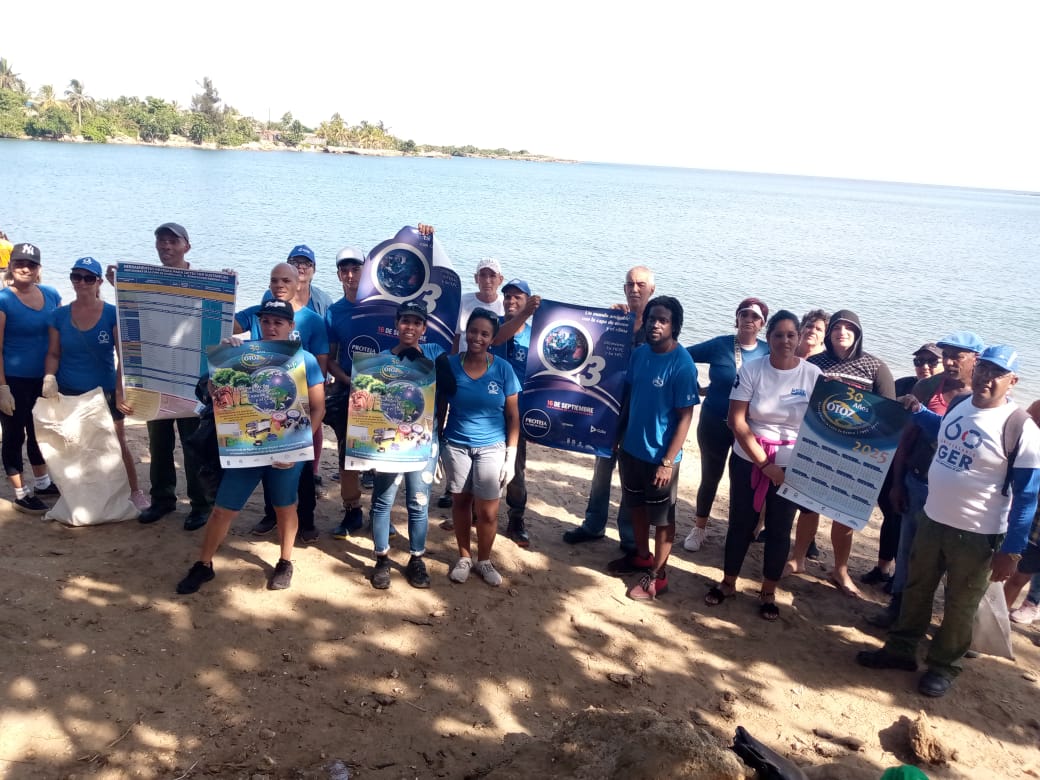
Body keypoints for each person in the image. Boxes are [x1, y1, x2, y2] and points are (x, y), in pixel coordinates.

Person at [856, 345, 1040, 698]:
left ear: (1012, 381)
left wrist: (1012, 551)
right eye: (984, 368)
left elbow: (1027, 496)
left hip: (977, 534)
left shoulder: (1021, 428)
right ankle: (901, 650)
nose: (987, 377)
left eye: (997, 373)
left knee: (960, 604)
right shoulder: (960, 404)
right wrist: (919, 411)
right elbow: (945, 431)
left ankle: (943, 666)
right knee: (916, 590)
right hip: (933, 519)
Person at [175, 299, 326, 594]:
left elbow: (318, 409)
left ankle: (285, 561)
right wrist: (223, 358)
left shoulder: (305, 359)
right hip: (247, 449)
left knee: (285, 506)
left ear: (290, 327)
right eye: (266, 321)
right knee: (222, 509)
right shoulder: (241, 354)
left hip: (286, 448)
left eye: (278, 322)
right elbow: (215, 394)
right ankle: (204, 565)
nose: (270, 327)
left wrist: (298, 446)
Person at [704, 311, 822, 619]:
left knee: (780, 530)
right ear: (768, 339)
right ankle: (728, 582)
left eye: (790, 335)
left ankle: (768, 591)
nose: (785, 340)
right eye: (778, 335)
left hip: (792, 467)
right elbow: (736, 421)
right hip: (748, 459)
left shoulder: (812, 376)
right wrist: (766, 465)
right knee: (740, 525)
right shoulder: (752, 370)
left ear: (799, 339)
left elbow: (825, 426)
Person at [868, 332, 984, 627]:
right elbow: (906, 438)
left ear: (976, 359)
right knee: (907, 550)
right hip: (918, 482)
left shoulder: (985, 397)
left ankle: (951, 623)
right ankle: (898, 606)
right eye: (946, 355)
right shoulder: (928, 387)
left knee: (952, 561)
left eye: (957, 356)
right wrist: (897, 482)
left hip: (959, 493)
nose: (948, 362)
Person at [786, 309, 895, 596]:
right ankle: (797, 559)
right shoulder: (815, 362)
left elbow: (890, 415)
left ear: (858, 333)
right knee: (808, 504)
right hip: (818, 444)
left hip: (856, 452)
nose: (841, 332)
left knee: (843, 513)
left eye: (849, 328)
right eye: (836, 328)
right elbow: (800, 398)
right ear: (830, 332)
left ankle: (840, 569)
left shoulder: (875, 367)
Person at [609, 296, 698, 600]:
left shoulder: (682, 365)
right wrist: (616, 435)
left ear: (675, 326)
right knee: (634, 505)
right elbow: (629, 397)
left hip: (660, 456)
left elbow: (686, 416)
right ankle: (641, 556)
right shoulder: (639, 355)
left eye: (663, 320)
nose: (655, 325)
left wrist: (668, 461)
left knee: (662, 518)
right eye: (651, 319)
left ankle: (658, 576)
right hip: (631, 449)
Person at [42, 257, 148, 510]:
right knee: (74, 444)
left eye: (89, 278)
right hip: (69, 389)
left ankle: (135, 491)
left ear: (99, 281)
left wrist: (121, 391)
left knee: (118, 441)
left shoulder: (112, 314)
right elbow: (54, 353)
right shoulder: (58, 315)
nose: (82, 282)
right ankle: (78, 492)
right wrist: (49, 378)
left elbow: (124, 356)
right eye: (76, 277)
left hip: (104, 390)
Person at [563, 265, 656, 553]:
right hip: (608, 410)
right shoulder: (616, 320)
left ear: (652, 289)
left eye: (641, 284)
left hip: (639, 414)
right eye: (630, 284)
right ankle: (594, 525)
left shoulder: (657, 324)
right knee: (601, 471)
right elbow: (592, 354)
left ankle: (628, 537)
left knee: (631, 478)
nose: (635, 289)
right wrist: (609, 322)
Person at [235, 263, 329, 541]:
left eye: (285, 280)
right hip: (264, 400)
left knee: (302, 466)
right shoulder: (257, 313)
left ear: (298, 282)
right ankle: (270, 514)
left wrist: (317, 392)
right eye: (274, 280)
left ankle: (307, 518)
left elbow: (321, 359)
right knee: (267, 459)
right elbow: (221, 321)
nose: (279, 285)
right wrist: (227, 288)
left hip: (300, 401)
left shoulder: (312, 319)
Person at [136, 223, 213, 530]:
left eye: (172, 241)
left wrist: (227, 285)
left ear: (186, 247)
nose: (165, 246)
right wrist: (121, 285)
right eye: (161, 241)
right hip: (155, 377)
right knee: (159, 444)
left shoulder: (203, 282)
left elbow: (216, 321)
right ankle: (163, 500)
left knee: (193, 445)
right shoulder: (148, 282)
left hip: (189, 380)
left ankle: (200, 504)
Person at [682, 297, 770, 552]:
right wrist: (695, 388)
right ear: (737, 318)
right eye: (744, 315)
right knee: (710, 476)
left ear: (762, 324)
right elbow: (683, 356)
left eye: (755, 317)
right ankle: (699, 528)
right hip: (714, 422)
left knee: (743, 481)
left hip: (748, 428)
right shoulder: (720, 345)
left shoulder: (768, 351)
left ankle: (738, 531)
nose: (749, 320)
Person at [368, 301, 445, 589]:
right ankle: (382, 559)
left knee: (418, 500)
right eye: (405, 321)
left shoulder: (436, 354)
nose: (409, 327)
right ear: (396, 324)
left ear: (424, 328)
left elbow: (448, 388)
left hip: (425, 438)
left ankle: (416, 558)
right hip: (391, 441)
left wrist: (420, 358)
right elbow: (371, 404)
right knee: (383, 500)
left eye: (416, 323)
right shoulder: (382, 358)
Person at [442, 307, 520, 587]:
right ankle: (464, 556)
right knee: (461, 503)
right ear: (466, 332)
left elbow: (513, 416)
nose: (477, 337)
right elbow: (438, 407)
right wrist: (436, 445)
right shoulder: (450, 365)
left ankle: (484, 560)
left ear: (492, 338)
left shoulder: (503, 369)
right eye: (473, 331)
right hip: (457, 445)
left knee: (487, 511)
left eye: (484, 333)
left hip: (492, 447)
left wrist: (510, 456)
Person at [438, 256, 507, 509]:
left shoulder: (505, 304)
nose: (487, 280)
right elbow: (456, 337)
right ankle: (452, 487)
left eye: (492, 275)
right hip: (463, 370)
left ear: (500, 279)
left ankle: (486, 492)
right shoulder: (464, 301)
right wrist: (452, 368)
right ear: (476, 278)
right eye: (483, 275)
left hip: (493, 374)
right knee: (456, 426)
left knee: (491, 429)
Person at [0, 243, 61, 514]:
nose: (26, 268)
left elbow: (59, 334)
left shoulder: (51, 294)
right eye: (20, 263)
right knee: (15, 435)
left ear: (39, 269)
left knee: (40, 432)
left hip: (43, 378)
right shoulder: (3, 300)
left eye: (32, 264)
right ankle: (20, 492)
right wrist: (2, 387)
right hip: (13, 380)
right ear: (11, 267)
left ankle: (42, 482)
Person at [491, 278, 540, 548]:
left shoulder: (536, 334)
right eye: (507, 296)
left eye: (517, 297)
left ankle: (516, 517)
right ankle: (478, 512)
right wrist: (524, 313)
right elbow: (498, 338)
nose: (510, 300)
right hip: (489, 408)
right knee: (483, 464)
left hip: (518, 415)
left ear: (527, 299)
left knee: (516, 470)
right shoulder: (493, 325)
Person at [792, 308, 829, 560]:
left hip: (812, 433)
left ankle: (809, 541)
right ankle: (762, 526)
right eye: (809, 326)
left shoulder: (824, 364)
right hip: (787, 429)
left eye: (818, 329)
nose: (812, 332)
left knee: (808, 491)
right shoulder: (789, 354)